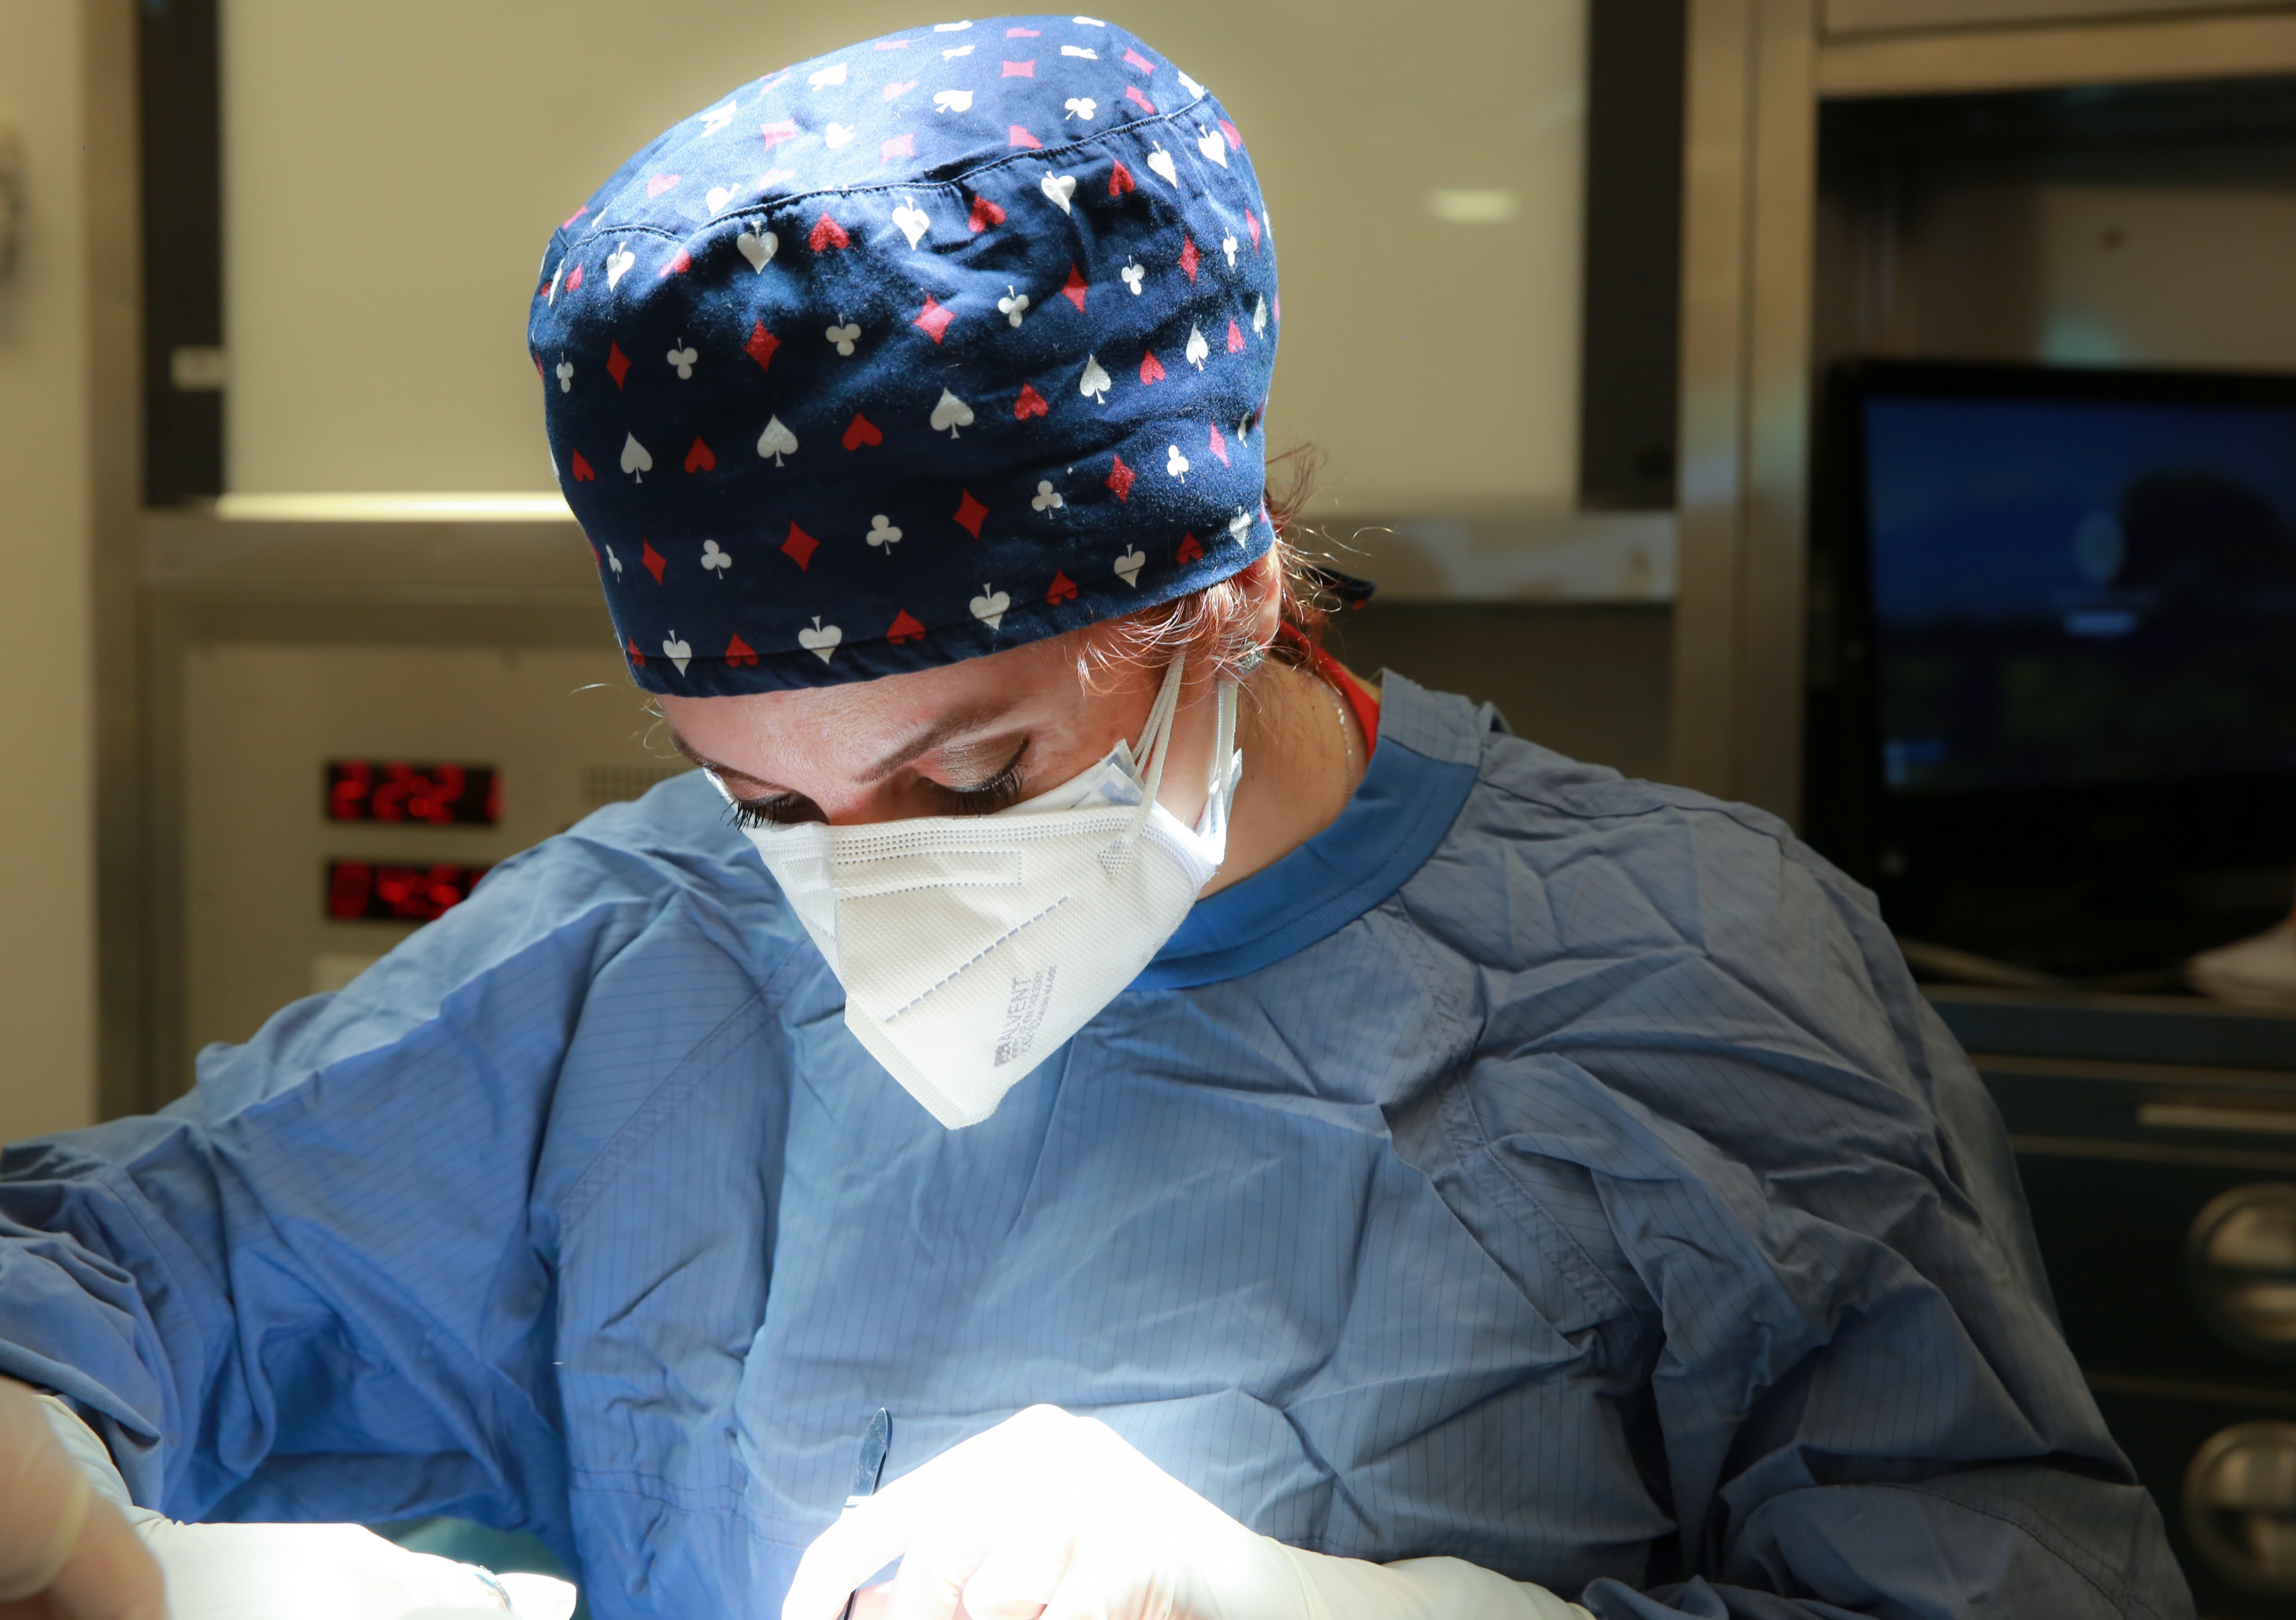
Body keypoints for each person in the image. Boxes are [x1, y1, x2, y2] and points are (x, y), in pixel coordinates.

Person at [0, 16, 2191, 1620]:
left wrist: (1357, 1618)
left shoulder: (1695, 976)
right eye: (761, 797)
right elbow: (115, 1259)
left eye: (970, 776)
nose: (860, 888)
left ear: (1228, 595)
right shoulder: (623, 960)